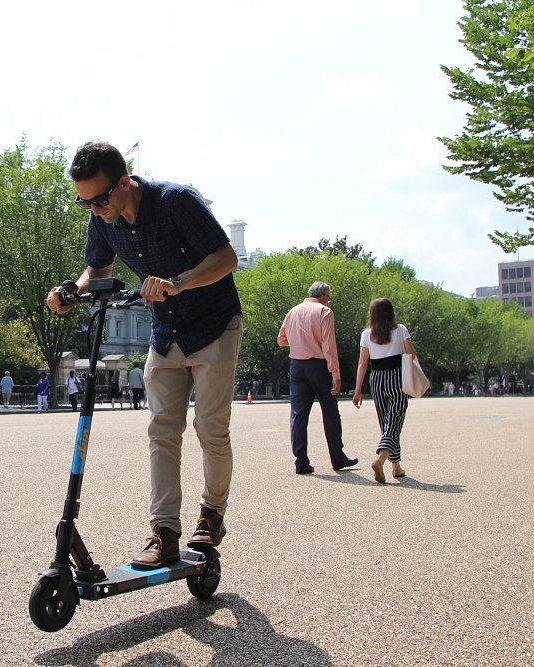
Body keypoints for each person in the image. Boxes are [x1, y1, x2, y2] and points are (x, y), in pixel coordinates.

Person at [47, 141, 243, 570]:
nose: (95, 209)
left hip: (213, 325)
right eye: (85, 204)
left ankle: (211, 513)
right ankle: (164, 532)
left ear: (124, 182)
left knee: (210, 428)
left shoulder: (176, 202)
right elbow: (97, 269)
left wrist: (179, 282)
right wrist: (71, 290)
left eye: (100, 199)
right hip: (166, 333)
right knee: (161, 431)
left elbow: (225, 258)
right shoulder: (104, 219)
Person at [277, 282, 358, 474]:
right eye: (329, 297)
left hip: (296, 365)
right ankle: (337, 458)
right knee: (330, 411)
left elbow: (281, 339)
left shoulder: (293, 311)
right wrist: (335, 373)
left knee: (298, 414)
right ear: (323, 295)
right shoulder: (324, 312)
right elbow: (329, 345)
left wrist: (299, 343)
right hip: (318, 366)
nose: (329, 301)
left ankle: (301, 461)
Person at [352, 297, 417, 483]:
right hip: (397, 377)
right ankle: (380, 459)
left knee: (387, 423)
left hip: (377, 379)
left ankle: (396, 467)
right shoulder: (401, 330)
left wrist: (358, 390)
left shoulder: (366, 334)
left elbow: (362, 363)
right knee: (395, 420)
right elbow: (411, 354)